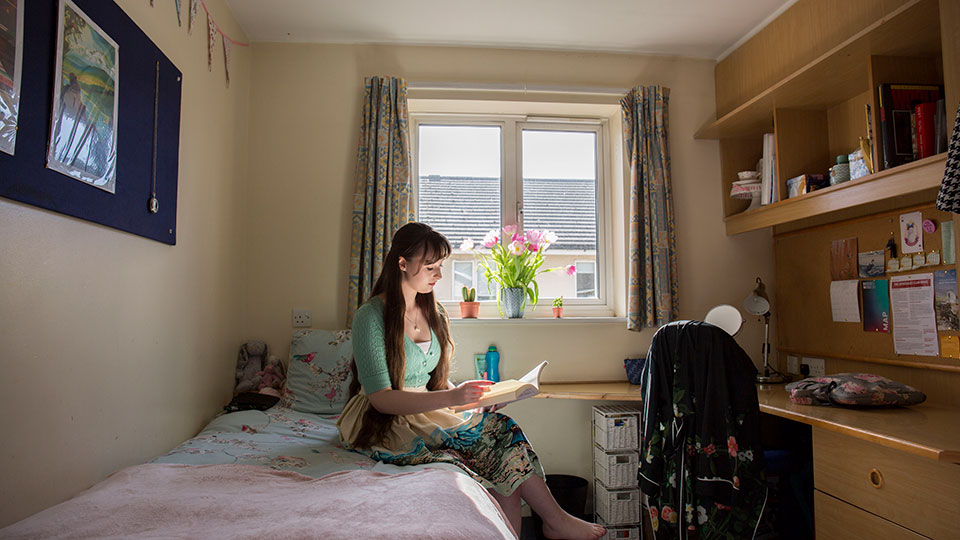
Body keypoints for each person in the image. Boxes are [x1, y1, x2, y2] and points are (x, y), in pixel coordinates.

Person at [338, 222, 605, 540]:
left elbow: (434, 383)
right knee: (492, 453)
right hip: (385, 421)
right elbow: (381, 398)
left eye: (440, 267)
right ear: (402, 263)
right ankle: (555, 521)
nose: (438, 275)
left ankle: (549, 522)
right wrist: (453, 400)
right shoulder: (370, 317)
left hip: (427, 410)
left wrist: (480, 398)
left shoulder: (433, 311)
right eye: (430, 267)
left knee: (502, 432)